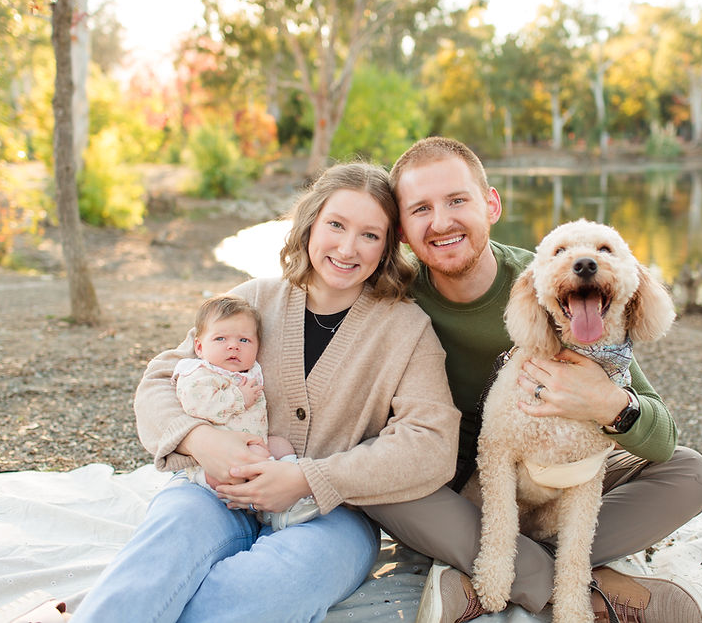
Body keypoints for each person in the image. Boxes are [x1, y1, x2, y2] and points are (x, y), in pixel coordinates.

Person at [56, 163, 461, 623]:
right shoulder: (253, 298)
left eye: (370, 235)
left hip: (332, 515)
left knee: (269, 590)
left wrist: (311, 478)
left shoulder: (406, 329)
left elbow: (431, 443)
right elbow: (159, 380)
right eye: (336, 225)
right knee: (160, 553)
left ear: (388, 246)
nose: (348, 248)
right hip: (215, 490)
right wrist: (199, 440)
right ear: (309, 225)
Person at [360, 137, 702, 623]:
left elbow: (660, 435)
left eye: (457, 200)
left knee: (688, 472)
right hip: (447, 486)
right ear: (401, 229)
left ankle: (491, 571)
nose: (441, 222)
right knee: (380, 481)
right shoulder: (392, 300)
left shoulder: (558, 278)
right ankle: (584, 589)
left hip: (553, 478)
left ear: (491, 204)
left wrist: (608, 403)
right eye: (420, 208)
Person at [173, 293, 318, 530]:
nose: (233, 346)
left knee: (280, 445)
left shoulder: (250, 372)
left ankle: (292, 497)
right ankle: (265, 509)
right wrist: (238, 399)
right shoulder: (199, 373)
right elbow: (196, 406)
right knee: (254, 463)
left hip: (256, 443)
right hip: (217, 457)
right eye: (220, 338)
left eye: (244, 341)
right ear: (199, 347)